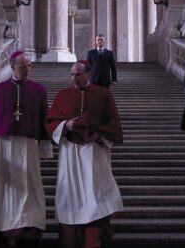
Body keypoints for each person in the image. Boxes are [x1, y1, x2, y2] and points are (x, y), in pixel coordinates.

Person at [0, 51, 52, 248]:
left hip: (28, 148)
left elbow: (44, 121)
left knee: (28, 189)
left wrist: (44, 149)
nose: (27, 69)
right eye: (22, 66)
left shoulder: (39, 91)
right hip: (3, 148)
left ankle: (27, 227)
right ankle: (1, 227)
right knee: (1, 191)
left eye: (29, 66)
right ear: (12, 66)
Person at [46, 60, 124, 248]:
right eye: (72, 74)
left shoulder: (103, 94)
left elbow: (114, 123)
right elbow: (51, 121)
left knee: (95, 193)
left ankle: (95, 240)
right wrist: (66, 125)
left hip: (94, 152)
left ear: (88, 74)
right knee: (69, 193)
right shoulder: (63, 95)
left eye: (78, 74)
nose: (74, 78)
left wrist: (99, 133)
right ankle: (70, 240)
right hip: (70, 153)